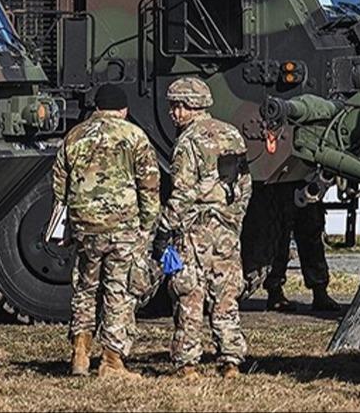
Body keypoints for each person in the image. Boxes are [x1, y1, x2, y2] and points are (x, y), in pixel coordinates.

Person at [52, 83, 160, 378]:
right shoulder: (134, 136)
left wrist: (66, 226)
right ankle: (112, 360)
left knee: (85, 288)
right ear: (123, 109)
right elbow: (149, 185)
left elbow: (59, 187)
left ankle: (80, 354)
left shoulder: (74, 136)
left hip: (85, 227)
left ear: (97, 108)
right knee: (119, 290)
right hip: (123, 227)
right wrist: (148, 228)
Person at [160, 77, 252, 379]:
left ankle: (188, 364)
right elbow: (244, 185)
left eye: (177, 106)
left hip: (194, 231)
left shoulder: (187, 142)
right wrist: (234, 219)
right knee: (226, 294)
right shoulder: (232, 135)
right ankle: (231, 360)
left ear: (191, 106)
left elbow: (182, 192)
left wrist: (165, 227)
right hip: (225, 229)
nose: (173, 112)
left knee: (190, 294)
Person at [263, 186, 340, 313]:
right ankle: (274, 290)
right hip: (281, 180)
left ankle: (320, 291)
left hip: (308, 179)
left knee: (312, 231)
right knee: (280, 234)